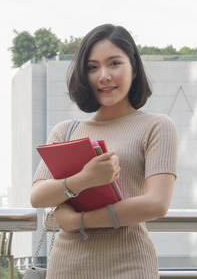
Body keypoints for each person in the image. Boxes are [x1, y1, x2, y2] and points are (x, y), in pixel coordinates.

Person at [30, 24, 177, 279]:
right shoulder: (65, 131)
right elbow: (38, 197)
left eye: (114, 63)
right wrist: (85, 179)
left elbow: (156, 204)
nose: (104, 76)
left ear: (133, 67)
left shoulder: (156, 126)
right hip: (66, 266)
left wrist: (79, 222)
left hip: (130, 265)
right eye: (93, 67)